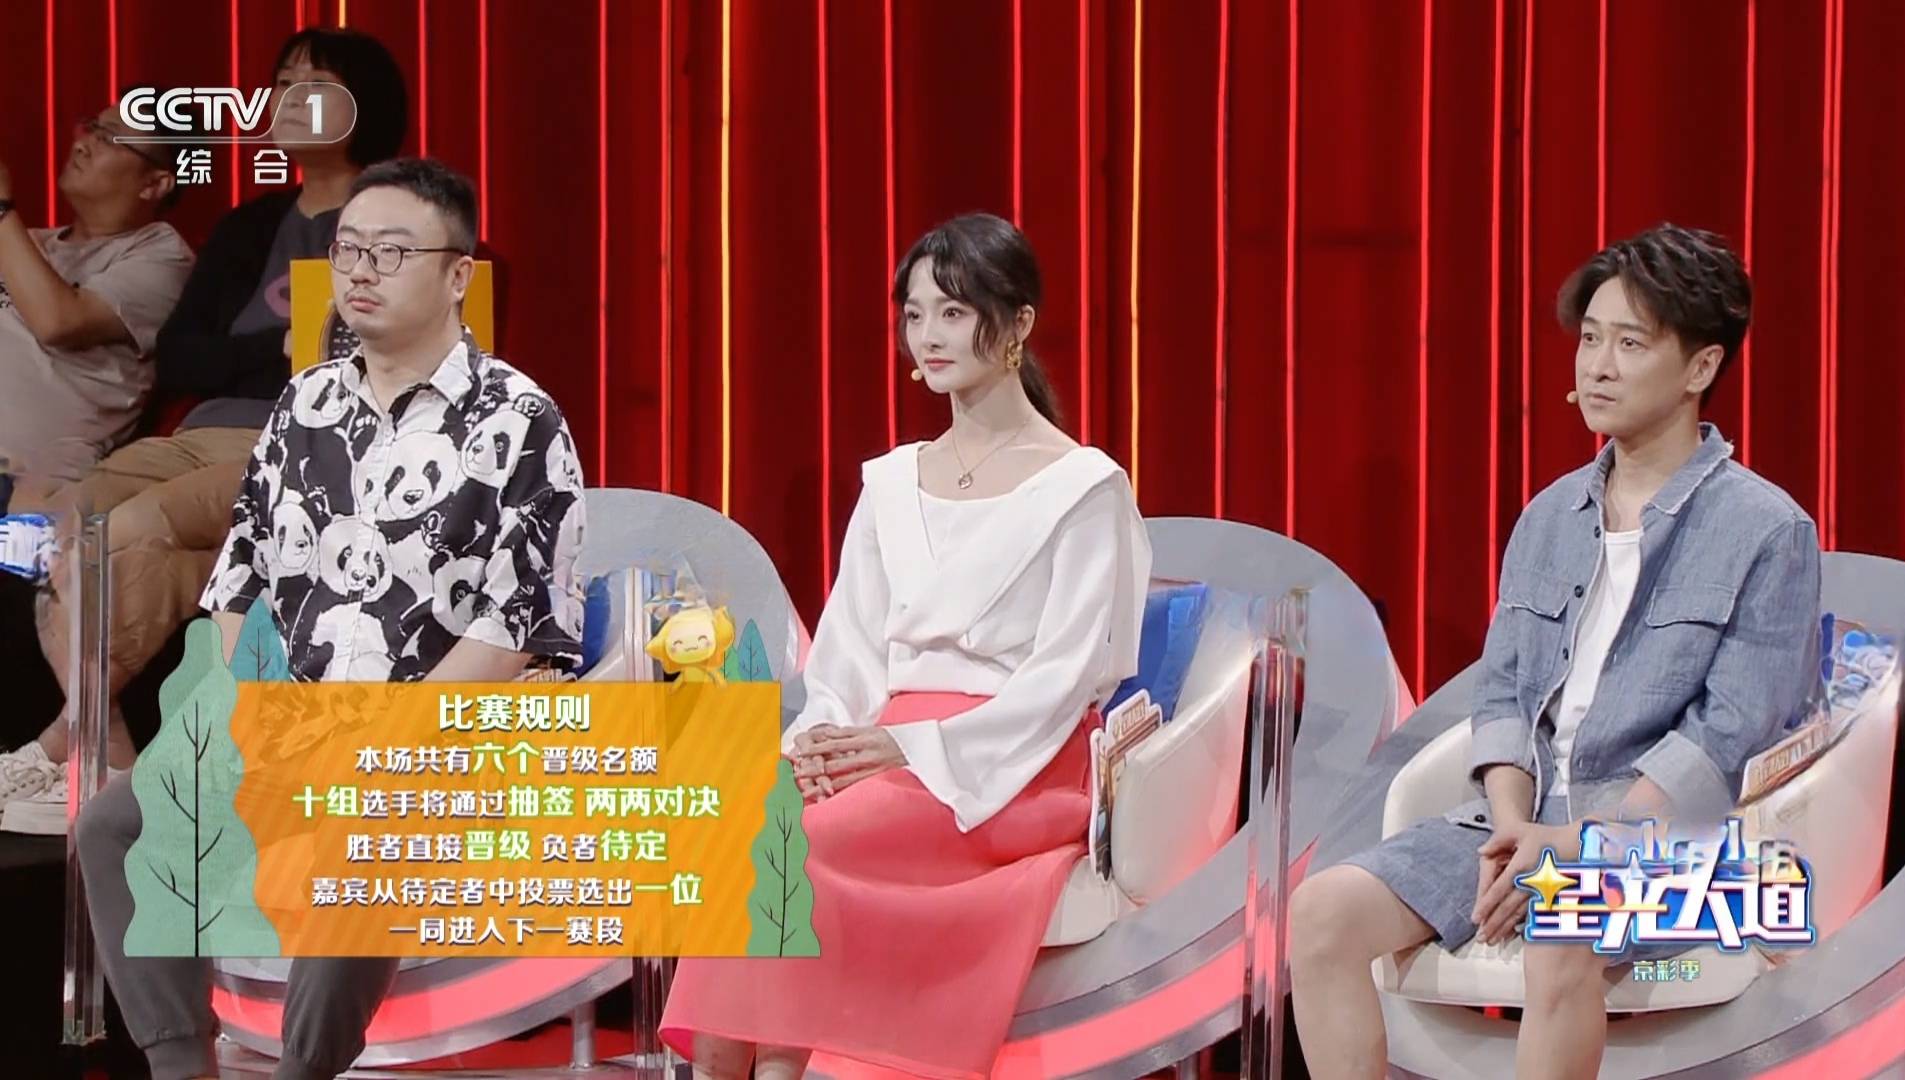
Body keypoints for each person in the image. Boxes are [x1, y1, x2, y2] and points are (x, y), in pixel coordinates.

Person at [77, 157, 585, 1080]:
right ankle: (182, 1064)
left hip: (434, 730)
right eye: (349, 249)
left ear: (457, 275)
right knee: (115, 824)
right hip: (295, 718)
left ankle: (305, 1069)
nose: (360, 271)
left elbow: (515, 626)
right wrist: (254, 714)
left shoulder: (520, 419)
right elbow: (241, 580)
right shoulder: (305, 404)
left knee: (367, 815)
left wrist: (379, 739)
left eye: (391, 253)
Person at [1287, 224, 1822, 1080]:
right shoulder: (1548, 515)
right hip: (1516, 823)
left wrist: (1573, 844)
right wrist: (1514, 828)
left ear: (1699, 368)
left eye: (1630, 344)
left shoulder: (1766, 530)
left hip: (1676, 851)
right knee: (1320, 913)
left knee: (1562, 924)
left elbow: (1727, 738)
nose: (1598, 366)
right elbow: (1502, 692)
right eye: (1589, 339)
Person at [659, 212, 1151, 1080]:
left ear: (1018, 322)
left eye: (953, 312)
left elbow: (1068, 672)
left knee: (788, 848)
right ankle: (743, 1068)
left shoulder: (1083, 486)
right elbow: (849, 646)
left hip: (1006, 765)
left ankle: (770, 1068)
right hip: (880, 747)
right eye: (914, 314)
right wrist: (820, 740)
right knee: (747, 816)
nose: (928, 336)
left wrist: (911, 746)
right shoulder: (891, 482)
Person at [0, 28, 407, 832]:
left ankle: (72, 746)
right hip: (196, 433)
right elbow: (185, 355)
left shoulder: (399, 220)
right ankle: (106, 751)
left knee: (133, 530)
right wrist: (281, 344)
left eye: (311, 82)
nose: (284, 98)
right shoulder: (251, 226)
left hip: (297, 443)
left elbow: (399, 350)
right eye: (280, 81)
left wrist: (291, 354)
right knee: (56, 527)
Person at [0, 103, 194, 495]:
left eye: (109, 138)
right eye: (90, 127)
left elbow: (58, 323)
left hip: (23, 479)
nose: (82, 143)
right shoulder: (32, 242)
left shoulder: (164, 257)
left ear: (155, 184)